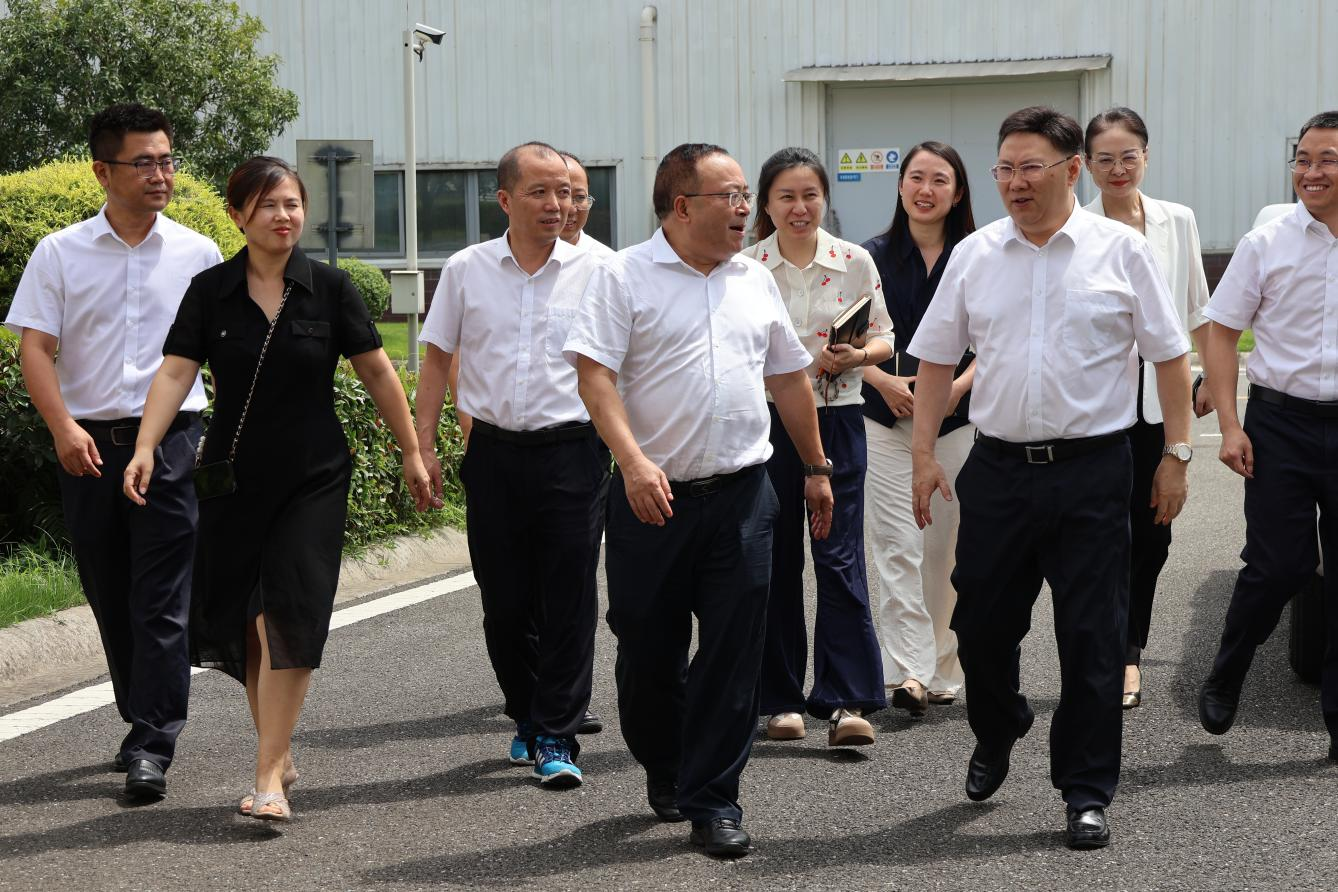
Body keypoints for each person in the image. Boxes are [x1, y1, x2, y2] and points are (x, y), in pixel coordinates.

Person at [909, 107, 1191, 850]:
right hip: (999, 469)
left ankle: (1086, 789)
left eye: (1030, 167)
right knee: (979, 626)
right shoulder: (974, 255)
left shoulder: (1121, 251)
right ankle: (999, 724)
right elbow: (935, 359)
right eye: (1004, 169)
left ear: (1071, 170)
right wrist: (923, 454)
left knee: (1093, 637)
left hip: (1094, 470)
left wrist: (1177, 453)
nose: (1015, 182)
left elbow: (1169, 356)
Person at [122, 156, 434, 822]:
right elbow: (176, 373)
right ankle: (279, 748)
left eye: (292, 203)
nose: (284, 216)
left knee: (287, 614)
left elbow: (378, 372)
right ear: (238, 216)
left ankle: (267, 777)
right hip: (234, 480)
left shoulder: (329, 288)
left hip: (313, 477)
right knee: (253, 626)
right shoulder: (210, 291)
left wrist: (412, 451)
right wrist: (146, 446)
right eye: (268, 205)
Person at [565, 143, 833, 858]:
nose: (746, 209)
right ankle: (668, 762)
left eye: (747, 195)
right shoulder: (623, 275)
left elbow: (789, 379)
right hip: (650, 499)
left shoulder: (754, 279)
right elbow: (594, 377)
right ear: (682, 206)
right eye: (731, 196)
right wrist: (632, 462)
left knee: (733, 654)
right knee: (647, 651)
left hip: (744, 495)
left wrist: (816, 467)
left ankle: (714, 799)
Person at [6, 104, 222, 800]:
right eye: (144, 162)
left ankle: (153, 741)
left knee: (161, 596)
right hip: (89, 446)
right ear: (103, 170)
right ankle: (140, 716)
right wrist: (63, 428)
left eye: (167, 160)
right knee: (108, 589)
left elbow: (220, 351)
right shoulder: (59, 252)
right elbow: (35, 348)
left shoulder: (198, 253)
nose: (161, 174)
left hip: (173, 443)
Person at [416, 142, 607, 788]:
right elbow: (437, 359)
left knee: (569, 597)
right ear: (504, 199)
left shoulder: (602, 271)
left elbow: (626, 368)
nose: (558, 204)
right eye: (540, 192)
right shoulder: (466, 270)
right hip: (494, 454)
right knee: (504, 601)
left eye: (566, 192)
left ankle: (556, 731)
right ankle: (526, 713)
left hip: (574, 451)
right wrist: (422, 447)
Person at [1198, 111, 1338, 765]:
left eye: (1327, 159)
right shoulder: (1267, 242)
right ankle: (1229, 668)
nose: (1310, 172)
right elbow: (1221, 332)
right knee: (1280, 565)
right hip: (1281, 423)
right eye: (1302, 159)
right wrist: (1230, 424)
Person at [740, 147, 891, 745]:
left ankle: (846, 700)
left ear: (825, 198)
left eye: (810, 195)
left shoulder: (854, 261)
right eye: (786, 197)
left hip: (839, 421)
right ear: (766, 203)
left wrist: (858, 355)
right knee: (775, 559)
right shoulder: (746, 266)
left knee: (839, 557)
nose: (799, 207)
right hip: (767, 424)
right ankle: (779, 699)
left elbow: (885, 337)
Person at [1083, 107, 1213, 709]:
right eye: (1105, 159)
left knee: (1153, 537)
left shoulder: (1177, 221)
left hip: (1161, 406)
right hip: (1099, 408)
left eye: (1128, 156)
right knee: (1101, 539)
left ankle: (1129, 649)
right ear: (1085, 166)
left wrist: (1209, 378)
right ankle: (1113, 655)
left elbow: (1197, 309)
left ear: (1147, 156)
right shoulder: (1076, 226)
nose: (1118, 169)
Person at [861, 141, 977, 717]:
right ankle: (908, 668)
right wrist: (882, 381)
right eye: (916, 178)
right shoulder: (868, 256)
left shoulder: (977, 255)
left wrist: (955, 387)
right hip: (882, 420)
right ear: (900, 185)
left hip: (955, 422)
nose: (925, 190)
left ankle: (943, 666)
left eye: (939, 180)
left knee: (944, 550)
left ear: (957, 193)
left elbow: (997, 339)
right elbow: (838, 336)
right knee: (896, 545)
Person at [559, 152, 613, 256]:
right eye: (562, 195)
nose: (571, 210)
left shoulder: (606, 261)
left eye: (580, 197)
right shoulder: (524, 259)